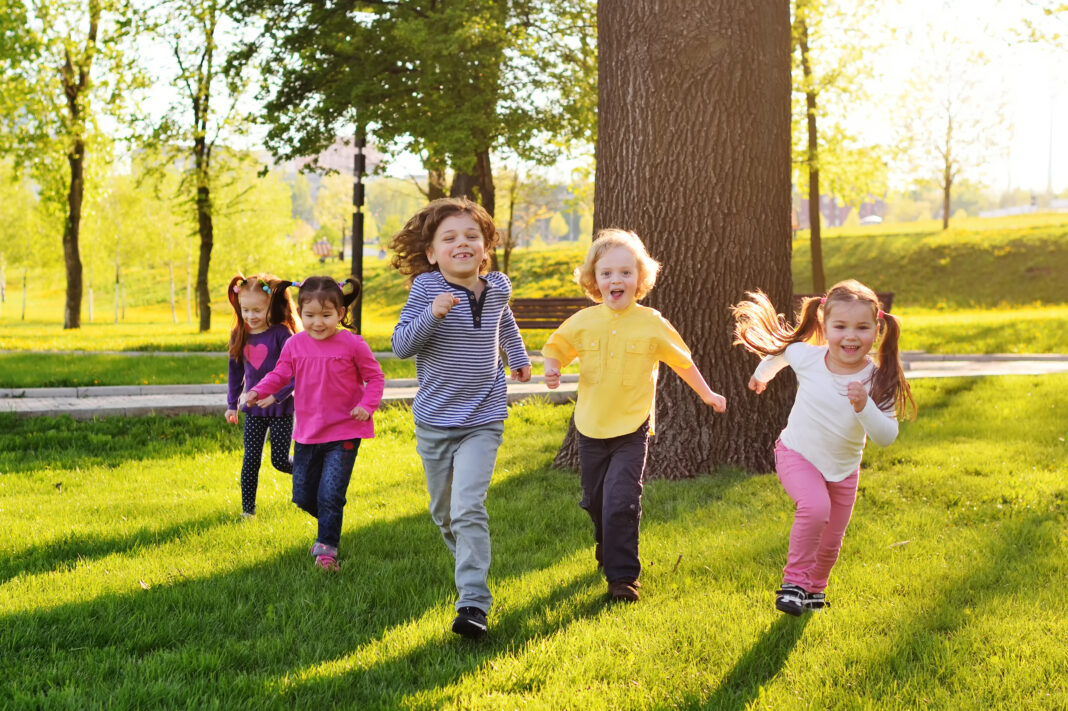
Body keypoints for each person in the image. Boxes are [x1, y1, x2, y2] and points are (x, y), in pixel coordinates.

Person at [542, 229, 727, 602]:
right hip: (591, 427)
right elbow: (556, 347)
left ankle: (623, 577)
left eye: (625, 273)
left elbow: (682, 361)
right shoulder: (584, 320)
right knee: (595, 501)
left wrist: (707, 393)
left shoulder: (652, 322)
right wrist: (552, 369)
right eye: (607, 273)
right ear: (594, 280)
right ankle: (604, 542)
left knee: (622, 501)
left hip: (632, 426)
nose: (616, 280)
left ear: (640, 279)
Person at [389, 197, 531, 639]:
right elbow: (401, 346)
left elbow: (503, 321)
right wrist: (433, 315)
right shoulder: (425, 291)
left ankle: (473, 600)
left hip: (485, 415)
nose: (462, 244)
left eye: (472, 236)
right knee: (445, 514)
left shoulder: (498, 287)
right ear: (432, 253)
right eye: (449, 238)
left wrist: (518, 356)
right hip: (435, 421)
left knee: (469, 508)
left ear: (485, 248)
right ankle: (467, 560)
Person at [732, 279, 916, 616]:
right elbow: (782, 353)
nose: (850, 336)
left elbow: (886, 436)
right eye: (840, 326)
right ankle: (794, 584)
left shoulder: (877, 380)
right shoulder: (809, 357)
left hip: (843, 470)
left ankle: (815, 590)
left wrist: (865, 407)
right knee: (815, 508)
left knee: (832, 541)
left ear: (876, 330)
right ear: (824, 325)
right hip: (797, 453)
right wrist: (762, 376)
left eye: (861, 327)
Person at [245, 276, 385, 572]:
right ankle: (328, 517)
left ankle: (327, 549)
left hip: (344, 432)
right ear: (300, 313)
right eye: (309, 316)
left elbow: (375, 378)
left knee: (331, 493)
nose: (317, 323)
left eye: (326, 316)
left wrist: (366, 405)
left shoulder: (352, 344)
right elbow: (280, 374)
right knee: (304, 495)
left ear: (340, 314)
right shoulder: (295, 344)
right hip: (308, 434)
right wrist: (259, 390)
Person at [225, 274, 298, 518]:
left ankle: (309, 474)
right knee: (251, 460)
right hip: (254, 409)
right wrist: (232, 405)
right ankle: (248, 511)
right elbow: (235, 373)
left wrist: (278, 396)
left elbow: (295, 373)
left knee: (279, 460)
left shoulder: (282, 335)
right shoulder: (240, 334)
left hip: (281, 408)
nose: (250, 316)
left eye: (257, 310)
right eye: (245, 310)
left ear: (271, 306)